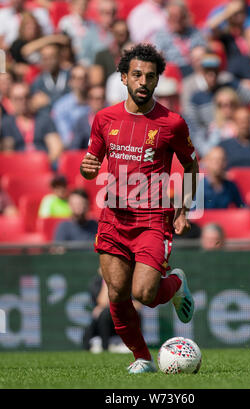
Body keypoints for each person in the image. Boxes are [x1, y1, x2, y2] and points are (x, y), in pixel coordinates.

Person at [79, 43, 199, 373]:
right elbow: (91, 162)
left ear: (157, 81)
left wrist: (184, 208)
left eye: (149, 76)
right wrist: (86, 169)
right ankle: (142, 357)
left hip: (152, 218)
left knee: (144, 293)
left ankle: (174, 284)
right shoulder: (104, 119)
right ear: (123, 78)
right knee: (117, 293)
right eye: (136, 75)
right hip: (114, 216)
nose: (143, 81)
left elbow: (190, 165)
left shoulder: (172, 123)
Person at [184, 52, 250, 157]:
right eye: (208, 72)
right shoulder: (196, 98)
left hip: (239, 139)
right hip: (213, 142)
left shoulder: (232, 88)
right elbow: (194, 129)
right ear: (202, 73)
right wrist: (207, 152)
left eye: (215, 71)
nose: (212, 75)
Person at [0, 82, 63, 166]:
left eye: (26, 97)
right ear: (10, 100)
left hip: (43, 166)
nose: (23, 101)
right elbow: (7, 152)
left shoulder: (44, 120)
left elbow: (56, 148)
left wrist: (41, 165)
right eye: (18, 98)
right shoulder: (6, 124)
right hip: (16, 167)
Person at [83, 269, 136, 353]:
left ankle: (133, 346)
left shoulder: (126, 280)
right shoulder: (97, 282)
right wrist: (106, 281)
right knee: (104, 314)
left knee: (107, 312)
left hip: (123, 317)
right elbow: (102, 302)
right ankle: (104, 347)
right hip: (103, 322)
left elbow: (137, 305)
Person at [153, 0, 206, 77]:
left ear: (185, 17)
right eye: (173, 17)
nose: (176, 20)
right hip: (173, 71)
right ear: (168, 18)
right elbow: (158, 54)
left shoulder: (194, 32)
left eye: (179, 17)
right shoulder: (161, 35)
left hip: (194, 69)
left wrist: (200, 52)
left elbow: (204, 49)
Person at [51, 65, 90, 148]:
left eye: (83, 78)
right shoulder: (61, 106)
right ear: (70, 81)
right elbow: (66, 138)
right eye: (76, 78)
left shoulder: (97, 102)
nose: (80, 81)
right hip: (73, 149)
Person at [30, 43, 71, 114]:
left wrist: (49, 100)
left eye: (52, 58)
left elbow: (75, 99)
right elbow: (35, 103)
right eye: (45, 59)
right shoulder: (38, 82)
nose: (49, 62)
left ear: (59, 58)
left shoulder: (70, 76)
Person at [70, 85, 106, 150]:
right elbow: (75, 147)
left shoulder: (112, 121)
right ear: (89, 100)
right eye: (94, 98)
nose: (98, 102)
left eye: (101, 98)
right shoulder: (81, 122)